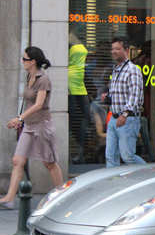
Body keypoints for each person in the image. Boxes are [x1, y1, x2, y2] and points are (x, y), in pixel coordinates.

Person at [0, 47, 63, 209]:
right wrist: (22, 120)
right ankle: (9, 198)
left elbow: (39, 104)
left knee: (49, 163)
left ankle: (63, 196)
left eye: (24, 59)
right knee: (17, 160)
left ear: (33, 61)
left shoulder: (44, 80)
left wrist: (20, 117)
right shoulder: (29, 76)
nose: (22, 61)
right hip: (29, 125)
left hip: (42, 126)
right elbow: (28, 103)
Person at [101, 36, 146, 167]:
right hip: (113, 118)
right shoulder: (116, 69)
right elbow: (120, 93)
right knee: (110, 157)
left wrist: (125, 114)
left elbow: (134, 95)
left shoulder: (133, 69)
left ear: (126, 50)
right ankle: (114, 185)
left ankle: (150, 173)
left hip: (127, 119)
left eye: (118, 49)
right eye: (113, 49)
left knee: (128, 156)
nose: (114, 51)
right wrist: (108, 96)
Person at [68, 23, 91, 164]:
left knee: (87, 114)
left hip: (79, 78)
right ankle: (69, 153)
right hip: (70, 78)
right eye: (81, 25)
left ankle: (80, 151)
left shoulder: (79, 40)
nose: (84, 27)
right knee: (70, 117)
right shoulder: (68, 39)